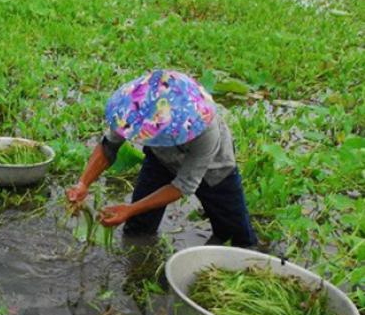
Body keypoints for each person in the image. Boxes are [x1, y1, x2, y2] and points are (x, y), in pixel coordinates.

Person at [66, 69, 257, 247]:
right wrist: (83, 183)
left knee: (235, 236)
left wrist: (129, 209)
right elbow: (109, 146)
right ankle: (138, 260)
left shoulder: (206, 129)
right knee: (138, 226)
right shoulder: (134, 109)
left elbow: (183, 185)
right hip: (160, 159)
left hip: (214, 171)